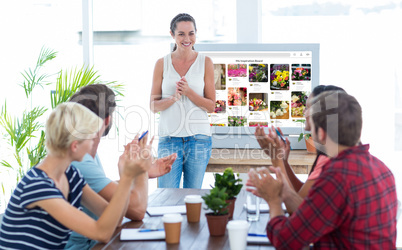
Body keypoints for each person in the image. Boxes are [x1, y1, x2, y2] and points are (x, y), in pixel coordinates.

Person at [247, 91, 397, 249]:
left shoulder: (337, 177)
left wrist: (274, 200)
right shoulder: (382, 169)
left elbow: (285, 241)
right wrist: (285, 192)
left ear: (321, 133)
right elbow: (312, 214)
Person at [0, 102, 152, 249]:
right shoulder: (38, 186)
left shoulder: (70, 175)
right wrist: (126, 177)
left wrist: (126, 172)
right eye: (91, 138)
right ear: (75, 145)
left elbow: (115, 220)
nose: (93, 144)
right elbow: (102, 232)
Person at [65, 84, 177, 249]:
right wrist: (141, 170)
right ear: (107, 120)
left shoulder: (85, 156)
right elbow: (137, 211)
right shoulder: (80, 161)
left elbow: (110, 204)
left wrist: (135, 174)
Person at [254, 85, 345, 212]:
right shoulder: (330, 153)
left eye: (308, 108)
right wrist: (284, 162)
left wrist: (276, 158)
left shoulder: (331, 162)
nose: (304, 113)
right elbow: (303, 197)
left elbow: (298, 214)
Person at [150, 13, 215, 188]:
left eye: (191, 33)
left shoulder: (206, 62)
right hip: (169, 139)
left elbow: (212, 106)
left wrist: (189, 92)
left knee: (192, 197)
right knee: (166, 195)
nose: (187, 39)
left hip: (199, 140)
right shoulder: (161, 63)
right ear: (172, 35)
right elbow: (153, 106)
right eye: (181, 34)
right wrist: (173, 98)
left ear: (196, 34)